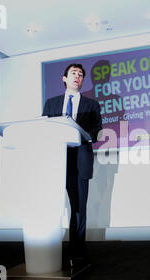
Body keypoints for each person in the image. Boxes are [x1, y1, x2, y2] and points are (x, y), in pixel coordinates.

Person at [42, 63, 102, 264]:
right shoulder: (51, 103)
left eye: (81, 75)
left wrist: (84, 135)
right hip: (56, 159)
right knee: (51, 202)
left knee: (78, 205)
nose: (78, 77)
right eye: (74, 73)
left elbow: (97, 129)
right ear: (64, 78)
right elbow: (45, 128)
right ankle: (47, 244)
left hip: (80, 159)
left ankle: (77, 247)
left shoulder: (92, 105)